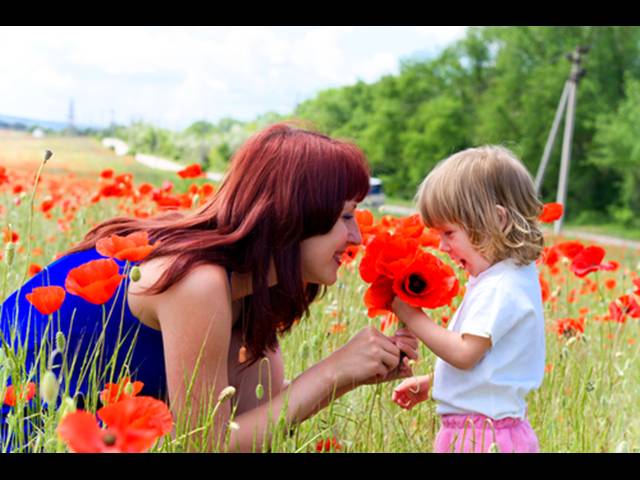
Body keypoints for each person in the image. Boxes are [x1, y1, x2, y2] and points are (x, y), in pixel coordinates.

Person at [0, 123, 418, 452]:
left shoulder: (251, 290)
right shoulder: (196, 280)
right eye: (346, 217)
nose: (356, 238)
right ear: (294, 216)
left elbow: (253, 418)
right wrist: (333, 371)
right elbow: (204, 443)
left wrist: (351, 374)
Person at [391, 146, 545, 453]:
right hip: (492, 432)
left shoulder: (499, 287)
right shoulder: (511, 277)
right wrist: (434, 381)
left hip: (481, 438)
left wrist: (411, 314)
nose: (442, 246)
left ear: (496, 221)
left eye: (449, 233)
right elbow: (492, 367)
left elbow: (464, 353)